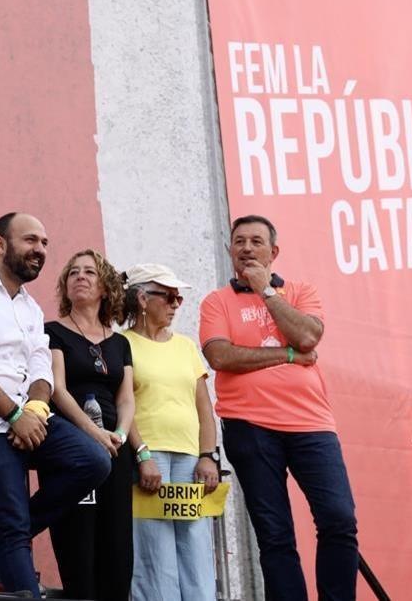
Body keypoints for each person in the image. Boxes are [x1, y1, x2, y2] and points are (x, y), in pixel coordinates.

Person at [0, 213, 111, 597]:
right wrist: (14, 415)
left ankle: (2, 532)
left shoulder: (29, 308)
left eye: (44, 243)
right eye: (31, 240)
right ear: (1, 244)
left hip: (26, 419)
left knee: (94, 461)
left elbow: (40, 366)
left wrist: (35, 411)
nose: (41, 250)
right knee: (14, 524)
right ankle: (8, 536)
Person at [199, 215, 358, 601]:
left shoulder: (300, 292)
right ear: (229, 250)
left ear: (274, 252)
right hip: (249, 425)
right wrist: (286, 354)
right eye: (239, 241)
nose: (247, 248)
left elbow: (307, 334)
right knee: (275, 535)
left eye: (256, 241)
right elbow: (220, 355)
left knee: (339, 519)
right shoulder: (217, 301)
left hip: (312, 424)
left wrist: (267, 292)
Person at [122, 263, 219, 601]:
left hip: (190, 457)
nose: (177, 304)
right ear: (143, 299)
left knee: (195, 544)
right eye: (170, 296)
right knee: (153, 547)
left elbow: (204, 409)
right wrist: (141, 454)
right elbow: (124, 406)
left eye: (178, 298)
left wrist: (208, 455)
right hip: (148, 457)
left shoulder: (186, 347)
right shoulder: (123, 344)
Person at [46, 250, 135, 601]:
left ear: (105, 288)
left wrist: (121, 435)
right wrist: (92, 432)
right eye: (73, 273)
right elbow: (57, 389)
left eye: (89, 273)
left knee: (117, 547)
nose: (80, 277)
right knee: (78, 544)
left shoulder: (120, 343)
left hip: (115, 448)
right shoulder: (52, 332)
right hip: (74, 447)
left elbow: (126, 397)